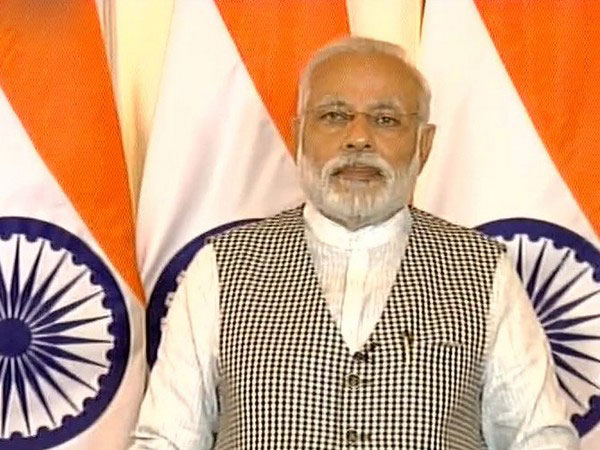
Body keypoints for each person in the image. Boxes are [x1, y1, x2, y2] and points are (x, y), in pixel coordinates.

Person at [130, 37, 579, 449]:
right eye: (334, 116)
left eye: (386, 119)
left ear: (423, 145)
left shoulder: (483, 269)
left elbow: (539, 437)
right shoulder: (221, 265)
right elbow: (167, 439)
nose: (359, 138)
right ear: (298, 135)